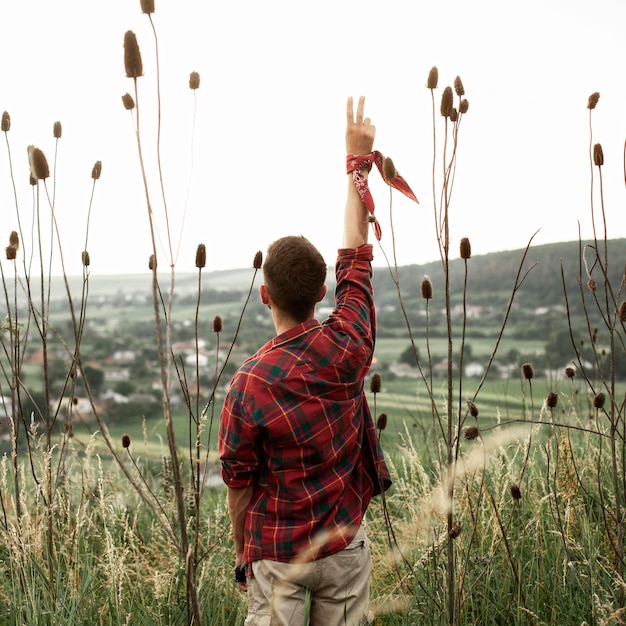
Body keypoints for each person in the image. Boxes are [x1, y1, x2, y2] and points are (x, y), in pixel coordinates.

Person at [219, 96, 391, 626]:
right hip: (343, 544)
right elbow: (356, 256)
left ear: (265, 296)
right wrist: (356, 164)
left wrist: (243, 550)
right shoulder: (348, 344)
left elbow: (239, 485)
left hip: (277, 554)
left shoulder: (249, 384)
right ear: (322, 291)